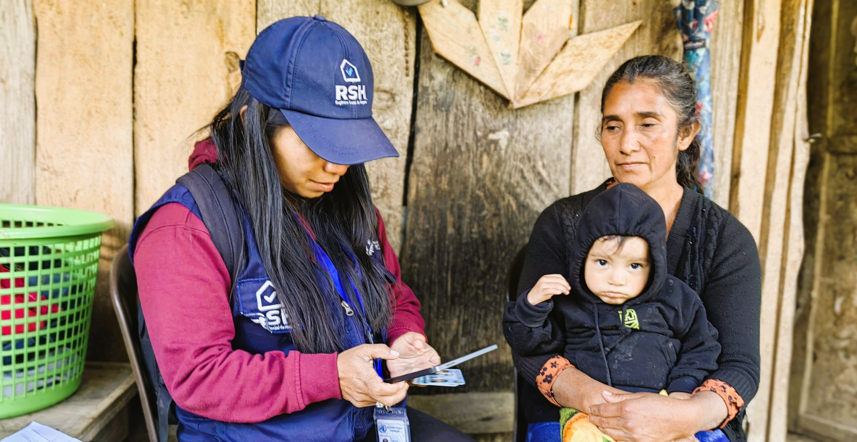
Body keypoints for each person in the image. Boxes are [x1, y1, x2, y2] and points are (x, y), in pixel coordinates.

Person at [129, 16, 474, 442]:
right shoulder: (185, 229)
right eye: (317, 142)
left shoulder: (346, 206)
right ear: (249, 121)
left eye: (346, 143)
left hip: (361, 425)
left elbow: (394, 296)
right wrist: (329, 377)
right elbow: (199, 377)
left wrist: (406, 340)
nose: (337, 166)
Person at [503, 55, 761, 442]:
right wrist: (605, 405)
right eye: (613, 125)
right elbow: (530, 346)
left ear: (686, 133)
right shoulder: (562, 223)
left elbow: (739, 364)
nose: (626, 144)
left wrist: (683, 414)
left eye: (648, 124)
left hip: (687, 421)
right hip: (575, 415)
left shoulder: (725, 239)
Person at [508, 183, 725, 441]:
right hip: (584, 416)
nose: (616, 279)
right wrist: (532, 305)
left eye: (634, 265)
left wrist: (681, 392)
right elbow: (528, 345)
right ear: (581, 257)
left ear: (654, 264)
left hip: (663, 414)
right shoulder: (568, 300)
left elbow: (702, 346)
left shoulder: (675, 299)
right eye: (602, 262)